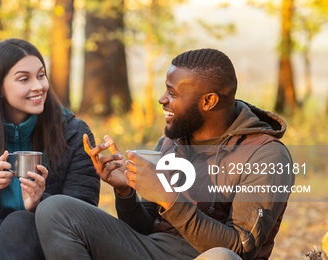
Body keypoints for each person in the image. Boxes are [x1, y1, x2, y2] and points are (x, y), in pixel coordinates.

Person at [35, 48, 294, 260]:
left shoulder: (265, 155)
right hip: (151, 251)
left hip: (205, 257)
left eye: (172, 93)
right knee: (55, 208)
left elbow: (242, 247)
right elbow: (144, 228)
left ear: (208, 101)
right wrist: (126, 192)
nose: (162, 99)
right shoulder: (171, 142)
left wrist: (170, 199)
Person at [0, 38, 100, 260]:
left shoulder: (73, 134)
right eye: (24, 79)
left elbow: (85, 220)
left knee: (20, 223)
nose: (38, 86)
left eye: (41, 75)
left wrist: (40, 203)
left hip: (45, 247)